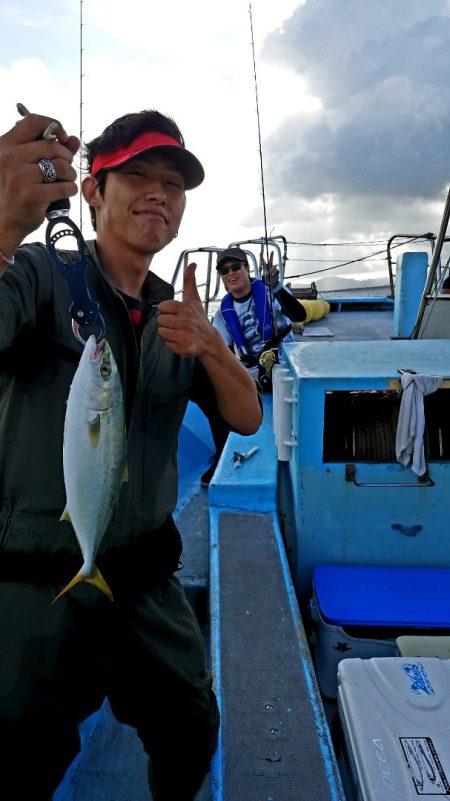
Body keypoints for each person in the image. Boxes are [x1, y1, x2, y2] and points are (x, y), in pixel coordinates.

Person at [0, 108, 262, 801]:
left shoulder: (180, 313)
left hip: (146, 579)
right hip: (33, 583)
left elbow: (247, 414)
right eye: (138, 175)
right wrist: (1, 226)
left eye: (173, 184)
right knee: (17, 752)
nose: (159, 193)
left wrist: (208, 344)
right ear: (92, 190)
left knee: (190, 725)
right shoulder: (36, 275)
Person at [200, 246, 305, 486]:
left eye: (236, 266)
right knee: (212, 392)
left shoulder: (270, 291)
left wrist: (276, 286)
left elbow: (298, 315)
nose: (231, 273)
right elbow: (221, 353)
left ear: (248, 269)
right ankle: (221, 455)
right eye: (224, 270)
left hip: (285, 365)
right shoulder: (222, 315)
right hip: (253, 372)